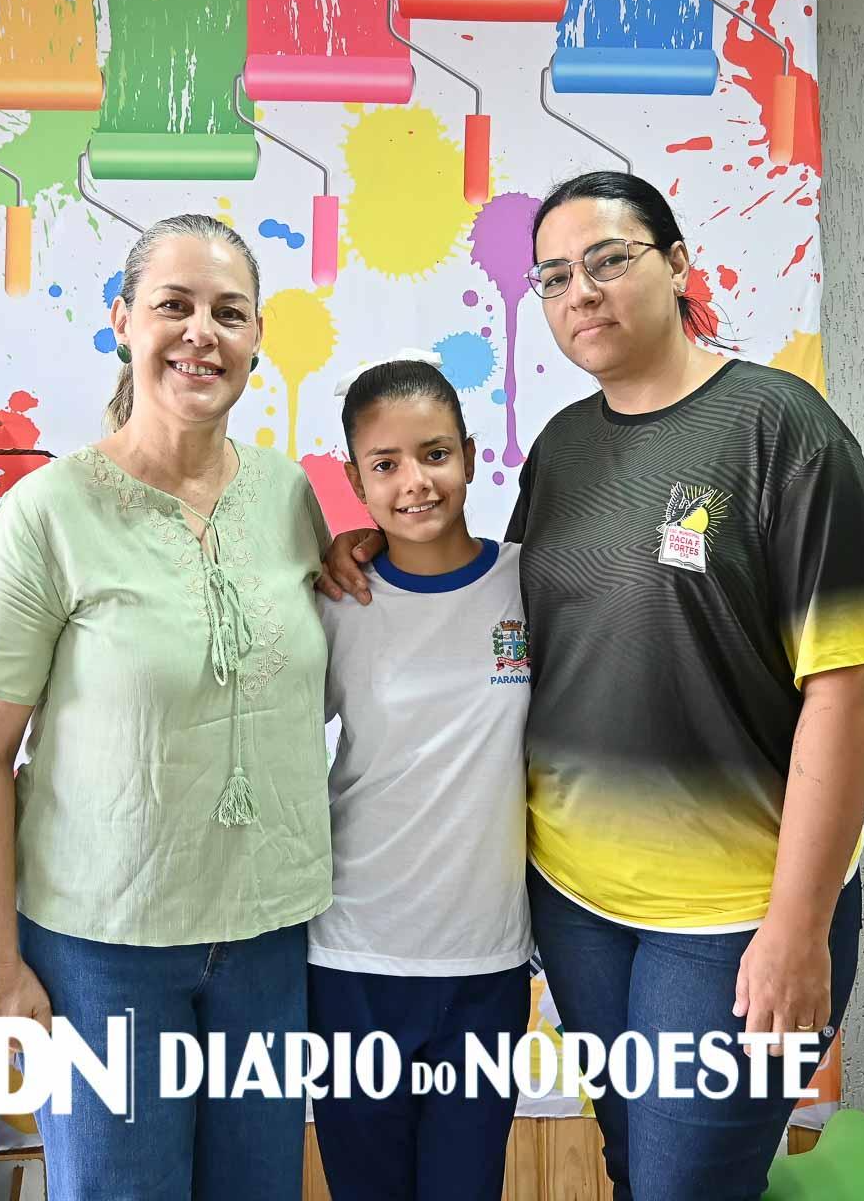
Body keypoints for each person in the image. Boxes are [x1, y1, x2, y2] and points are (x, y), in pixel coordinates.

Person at [320, 171, 864, 1201]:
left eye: (608, 260)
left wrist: (797, 924)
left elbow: (851, 685)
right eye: (554, 277)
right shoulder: (564, 448)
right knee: (636, 1163)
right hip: (578, 902)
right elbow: (494, 609)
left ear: (678, 264)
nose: (581, 292)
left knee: (686, 1181)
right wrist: (369, 546)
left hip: (736, 910)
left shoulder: (782, 427)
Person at [0, 214, 331, 1201]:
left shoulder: (290, 497)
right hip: (101, 949)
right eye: (174, 305)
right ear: (123, 321)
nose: (202, 332)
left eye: (229, 312)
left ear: (256, 339)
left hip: (267, 938)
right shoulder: (49, 514)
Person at [308, 357, 534, 1201]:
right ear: (355, 481)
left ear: (470, 456)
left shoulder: (530, 583)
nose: (415, 482)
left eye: (435, 454)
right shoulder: (337, 600)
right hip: (354, 958)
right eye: (386, 463)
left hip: (487, 962)